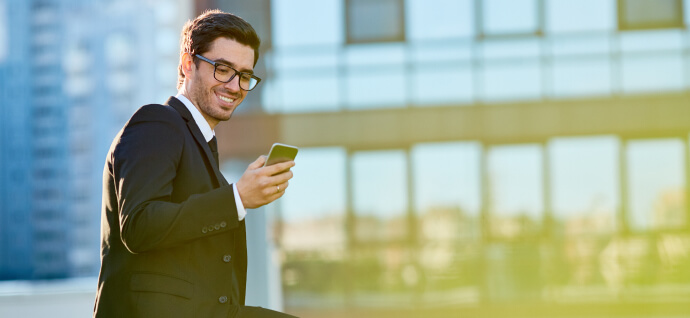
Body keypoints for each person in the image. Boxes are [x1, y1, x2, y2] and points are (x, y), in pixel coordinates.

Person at [94, 9, 297, 318]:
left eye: (244, 75)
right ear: (188, 64)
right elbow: (139, 226)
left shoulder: (203, 147)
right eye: (223, 69)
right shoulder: (157, 121)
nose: (235, 85)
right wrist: (237, 198)